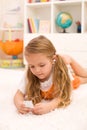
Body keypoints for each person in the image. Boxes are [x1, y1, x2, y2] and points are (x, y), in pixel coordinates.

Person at [14, 35, 87, 115]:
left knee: (81, 78)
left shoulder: (60, 72)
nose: (37, 70)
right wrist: (19, 104)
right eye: (32, 66)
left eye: (42, 65)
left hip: (68, 75)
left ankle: (70, 59)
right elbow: (18, 94)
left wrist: (49, 106)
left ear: (53, 59)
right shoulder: (29, 74)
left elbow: (63, 95)